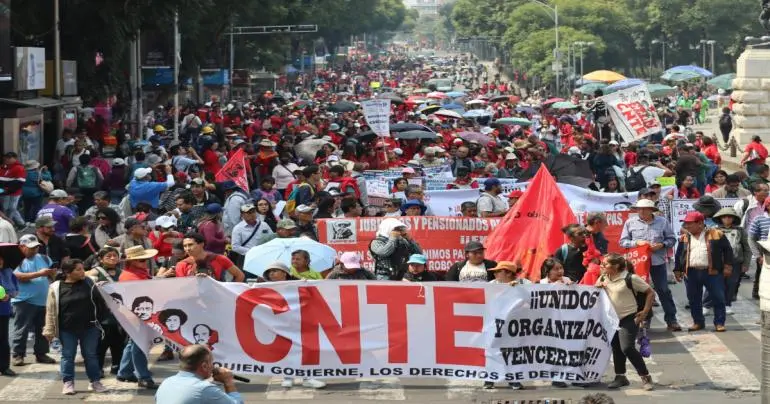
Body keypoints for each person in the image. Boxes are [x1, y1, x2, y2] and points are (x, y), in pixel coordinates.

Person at [42, 259, 107, 394]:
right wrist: (49, 329)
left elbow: (101, 302)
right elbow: (50, 310)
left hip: (90, 327)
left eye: (83, 268)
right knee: (68, 355)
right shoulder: (55, 287)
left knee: (91, 355)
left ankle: (95, 381)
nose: (82, 271)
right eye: (78, 269)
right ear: (67, 272)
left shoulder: (90, 282)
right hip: (67, 329)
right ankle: (68, 383)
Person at [258, 261, 327, 389]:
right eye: (269, 272)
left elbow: (312, 297)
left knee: (304, 350)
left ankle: (307, 377)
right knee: (285, 350)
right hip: (278, 324)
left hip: (298, 322)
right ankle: (288, 376)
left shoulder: (297, 284)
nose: (271, 274)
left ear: (284, 273)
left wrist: (306, 285)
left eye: (275, 271)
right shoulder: (265, 287)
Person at [619, 199, 681, 331]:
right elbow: (623, 242)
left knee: (663, 290)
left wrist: (662, 245)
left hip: (657, 261)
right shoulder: (630, 223)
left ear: (651, 210)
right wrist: (636, 243)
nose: (641, 211)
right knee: (641, 292)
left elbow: (671, 239)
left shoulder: (662, 222)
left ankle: (671, 320)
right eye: (639, 209)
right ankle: (644, 320)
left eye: (645, 208)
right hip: (638, 263)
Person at [596, 253, 654, 391]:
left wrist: (644, 312)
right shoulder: (604, 277)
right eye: (602, 264)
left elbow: (650, 292)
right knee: (616, 347)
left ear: (616, 266)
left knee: (627, 347)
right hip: (611, 319)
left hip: (629, 317)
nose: (602, 266)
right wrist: (598, 286)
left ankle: (645, 376)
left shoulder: (630, 278)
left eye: (606, 264)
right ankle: (620, 376)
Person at [117, 246, 167, 389]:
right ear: (131, 262)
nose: (145, 262)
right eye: (141, 260)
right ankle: (143, 377)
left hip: (141, 313)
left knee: (134, 343)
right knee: (139, 344)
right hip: (136, 315)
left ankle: (125, 371)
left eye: (145, 259)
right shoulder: (129, 276)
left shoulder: (139, 273)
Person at [674, 211, 733, 332]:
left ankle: (719, 323)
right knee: (693, 299)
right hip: (691, 273)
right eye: (686, 224)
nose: (687, 226)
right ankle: (698, 322)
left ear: (700, 223)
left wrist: (728, 266)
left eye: (689, 224)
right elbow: (679, 254)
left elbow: (728, 251)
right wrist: (677, 269)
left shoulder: (717, 234)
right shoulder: (685, 237)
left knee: (718, 297)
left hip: (712, 272)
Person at [12, 234, 56, 366]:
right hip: (24, 300)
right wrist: (40, 273)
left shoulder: (44, 258)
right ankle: (18, 354)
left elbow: (51, 276)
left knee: (43, 329)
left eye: (36, 247)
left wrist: (52, 274)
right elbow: (18, 276)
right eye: (31, 248)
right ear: (21, 247)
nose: (34, 250)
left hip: (43, 300)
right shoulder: (15, 260)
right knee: (22, 329)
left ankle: (41, 354)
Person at [155, 344, 244, 403]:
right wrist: (228, 382)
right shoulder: (204, 389)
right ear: (204, 366)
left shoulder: (166, 382)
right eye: (211, 362)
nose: (213, 366)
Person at [85, 246, 125, 375]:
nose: (113, 258)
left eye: (115, 255)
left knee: (118, 342)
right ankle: (98, 368)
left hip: (119, 313)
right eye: (108, 256)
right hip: (103, 313)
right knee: (102, 342)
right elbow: (86, 282)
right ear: (101, 259)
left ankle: (117, 366)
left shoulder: (122, 272)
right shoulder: (95, 272)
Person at [714, 208, 751, 313]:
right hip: (718, 262)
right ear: (720, 218)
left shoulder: (740, 231)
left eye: (730, 217)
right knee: (715, 283)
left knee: (731, 284)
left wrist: (746, 263)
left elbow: (747, 248)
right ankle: (708, 305)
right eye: (724, 216)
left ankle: (727, 304)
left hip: (735, 262)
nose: (727, 219)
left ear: (734, 219)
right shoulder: (714, 230)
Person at [175, 233, 245, 282]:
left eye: (190, 245)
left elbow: (240, 276)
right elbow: (181, 286)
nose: (187, 249)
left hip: (218, 299)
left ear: (202, 244)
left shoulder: (219, 259)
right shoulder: (181, 265)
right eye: (185, 246)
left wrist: (228, 292)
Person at [229, 203, 274, 267]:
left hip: (263, 256)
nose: (252, 215)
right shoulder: (238, 228)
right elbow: (235, 246)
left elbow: (272, 238)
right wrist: (253, 251)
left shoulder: (264, 225)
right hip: (246, 258)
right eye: (249, 213)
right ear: (242, 215)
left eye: (253, 212)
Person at [0, 255, 18, 376]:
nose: (0, 261)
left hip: (3, 311)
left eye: (1, 258)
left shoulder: (8, 273)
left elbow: (15, 290)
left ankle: (4, 367)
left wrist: (8, 295)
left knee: (3, 339)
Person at [0, 152, 27, 228]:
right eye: (6, 158)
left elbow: (20, 182)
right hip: (3, 192)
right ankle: (20, 224)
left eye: (9, 158)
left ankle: (9, 225)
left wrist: (7, 190)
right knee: (7, 209)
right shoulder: (3, 167)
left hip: (13, 193)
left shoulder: (19, 168)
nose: (7, 159)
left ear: (15, 158)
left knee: (10, 209)